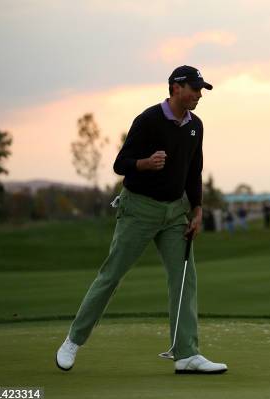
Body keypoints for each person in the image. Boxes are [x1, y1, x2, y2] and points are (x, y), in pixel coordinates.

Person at [55, 65, 227, 374]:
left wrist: (198, 209)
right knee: (112, 275)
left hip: (176, 212)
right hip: (139, 210)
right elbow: (121, 164)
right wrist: (144, 164)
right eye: (195, 88)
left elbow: (194, 171)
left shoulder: (195, 126)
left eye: (202, 89)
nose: (200, 94)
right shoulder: (148, 120)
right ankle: (73, 340)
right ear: (176, 87)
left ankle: (186, 353)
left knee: (185, 277)